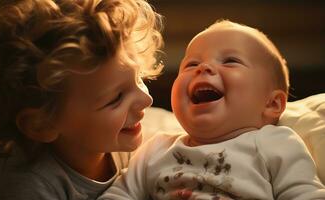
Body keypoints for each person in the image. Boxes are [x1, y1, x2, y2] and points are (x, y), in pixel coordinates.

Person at [98, 20, 325, 199]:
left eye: (230, 61)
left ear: (272, 104)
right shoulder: (155, 149)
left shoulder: (276, 142)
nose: (204, 68)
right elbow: (120, 194)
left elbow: (304, 194)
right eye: (191, 64)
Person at [0, 0, 163, 199]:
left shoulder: (131, 136)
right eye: (116, 98)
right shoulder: (32, 183)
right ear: (42, 124)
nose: (146, 99)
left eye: (138, 77)